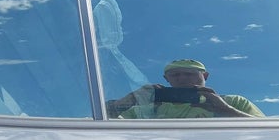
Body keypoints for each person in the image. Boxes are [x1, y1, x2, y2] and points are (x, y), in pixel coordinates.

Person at [105, 58, 264, 119]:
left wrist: (226, 110)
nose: (182, 78)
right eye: (175, 75)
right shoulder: (147, 110)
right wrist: (131, 98)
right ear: (166, 79)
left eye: (189, 74)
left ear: (205, 76)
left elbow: (269, 133)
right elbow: (103, 122)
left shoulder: (234, 102)